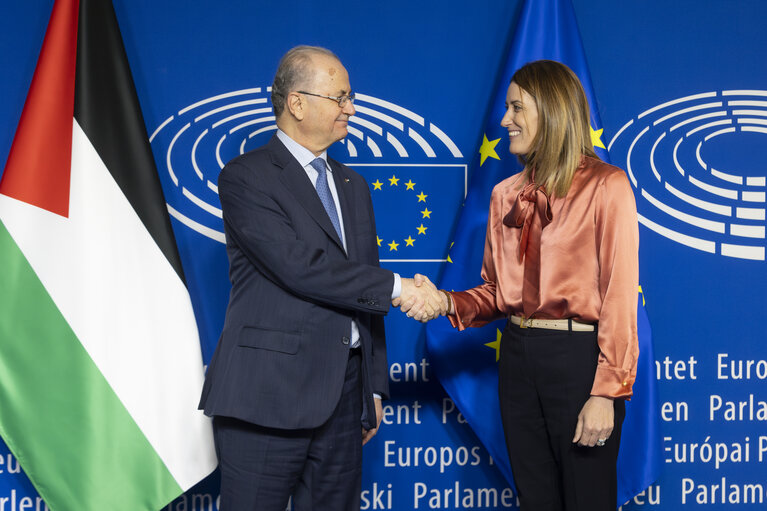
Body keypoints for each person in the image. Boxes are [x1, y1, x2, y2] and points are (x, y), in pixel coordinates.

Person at [198, 45, 443, 510]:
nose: (351, 108)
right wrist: (400, 288)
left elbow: (360, 285)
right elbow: (300, 267)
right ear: (297, 103)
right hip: (265, 399)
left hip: (344, 401)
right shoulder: (246, 177)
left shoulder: (353, 185)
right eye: (341, 97)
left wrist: (372, 384)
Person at [415, 60, 639, 510]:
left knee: (586, 500)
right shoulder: (505, 195)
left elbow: (618, 298)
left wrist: (605, 392)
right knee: (535, 500)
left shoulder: (606, 185)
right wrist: (442, 301)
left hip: (579, 364)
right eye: (506, 108)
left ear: (552, 110)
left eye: (517, 107)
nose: (505, 120)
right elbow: (497, 295)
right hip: (518, 359)